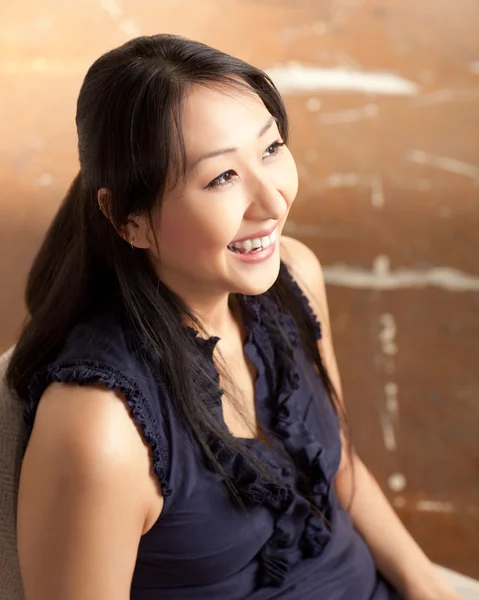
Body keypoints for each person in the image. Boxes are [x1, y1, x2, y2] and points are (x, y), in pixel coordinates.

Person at [6, 34, 466, 600]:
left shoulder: (294, 275)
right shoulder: (100, 428)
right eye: (222, 177)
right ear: (129, 218)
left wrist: (431, 588)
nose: (273, 202)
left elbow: (340, 470)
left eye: (270, 149)